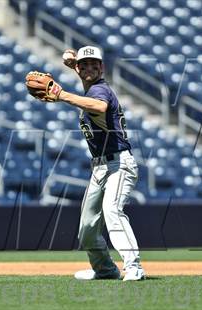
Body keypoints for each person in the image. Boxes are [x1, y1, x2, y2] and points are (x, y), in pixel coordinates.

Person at [58, 46, 145, 281]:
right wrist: (73, 63)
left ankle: (134, 266)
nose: (89, 68)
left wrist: (61, 94)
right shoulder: (90, 86)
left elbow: (99, 106)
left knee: (112, 210)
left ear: (102, 67)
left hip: (119, 164)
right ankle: (105, 270)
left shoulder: (100, 90)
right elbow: (85, 76)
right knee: (87, 226)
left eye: (94, 64)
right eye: (84, 65)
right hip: (100, 167)